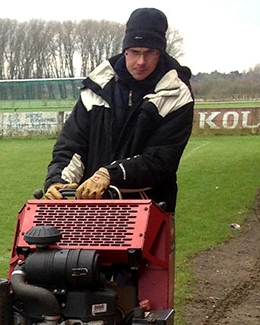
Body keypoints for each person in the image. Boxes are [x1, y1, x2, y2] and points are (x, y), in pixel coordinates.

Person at [43, 8, 194, 211]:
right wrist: (58, 181)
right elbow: (71, 146)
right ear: (125, 50)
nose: (141, 61)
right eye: (135, 52)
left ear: (160, 52)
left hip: (149, 209)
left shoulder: (176, 93)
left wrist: (110, 174)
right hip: (91, 208)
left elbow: (160, 161)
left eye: (150, 52)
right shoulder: (97, 86)